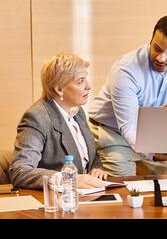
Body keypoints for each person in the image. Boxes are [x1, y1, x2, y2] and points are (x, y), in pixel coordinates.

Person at [88, 15, 167, 176]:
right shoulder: (126, 70)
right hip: (113, 132)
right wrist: (153, 153)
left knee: (164, 186)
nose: (161, 58)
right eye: (157, 48)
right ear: (151, 39)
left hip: (150, 133)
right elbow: (128, 127)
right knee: (125, 186)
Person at [9, 53, 108, 190]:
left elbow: (89, 155)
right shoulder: (37, 118)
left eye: (86, 79)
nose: (88, 86)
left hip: (87, 195)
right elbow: (20, 171)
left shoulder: (77, 111)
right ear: (59, 89)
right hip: (56, 202)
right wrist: (68, 180)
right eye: (80, 81)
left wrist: (97, 167)